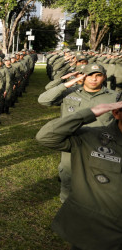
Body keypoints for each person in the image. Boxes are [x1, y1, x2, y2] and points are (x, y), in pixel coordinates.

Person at [36, 101, 122, 250]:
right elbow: (46, 137)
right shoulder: (91, 137)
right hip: (97, 232)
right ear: (116, 113)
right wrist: (91, 112)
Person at [38, 63, 118, 203]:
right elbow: (44, 100)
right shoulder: (70, 93)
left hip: (99, 144)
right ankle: (67, 207)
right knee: (68, 177)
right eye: (89, 75)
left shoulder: (114, 97)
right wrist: (68, 83)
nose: (94, 79)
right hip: (73, 142)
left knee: (99, 181)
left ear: (104, 77)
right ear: (83, 77)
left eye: (98, 76)